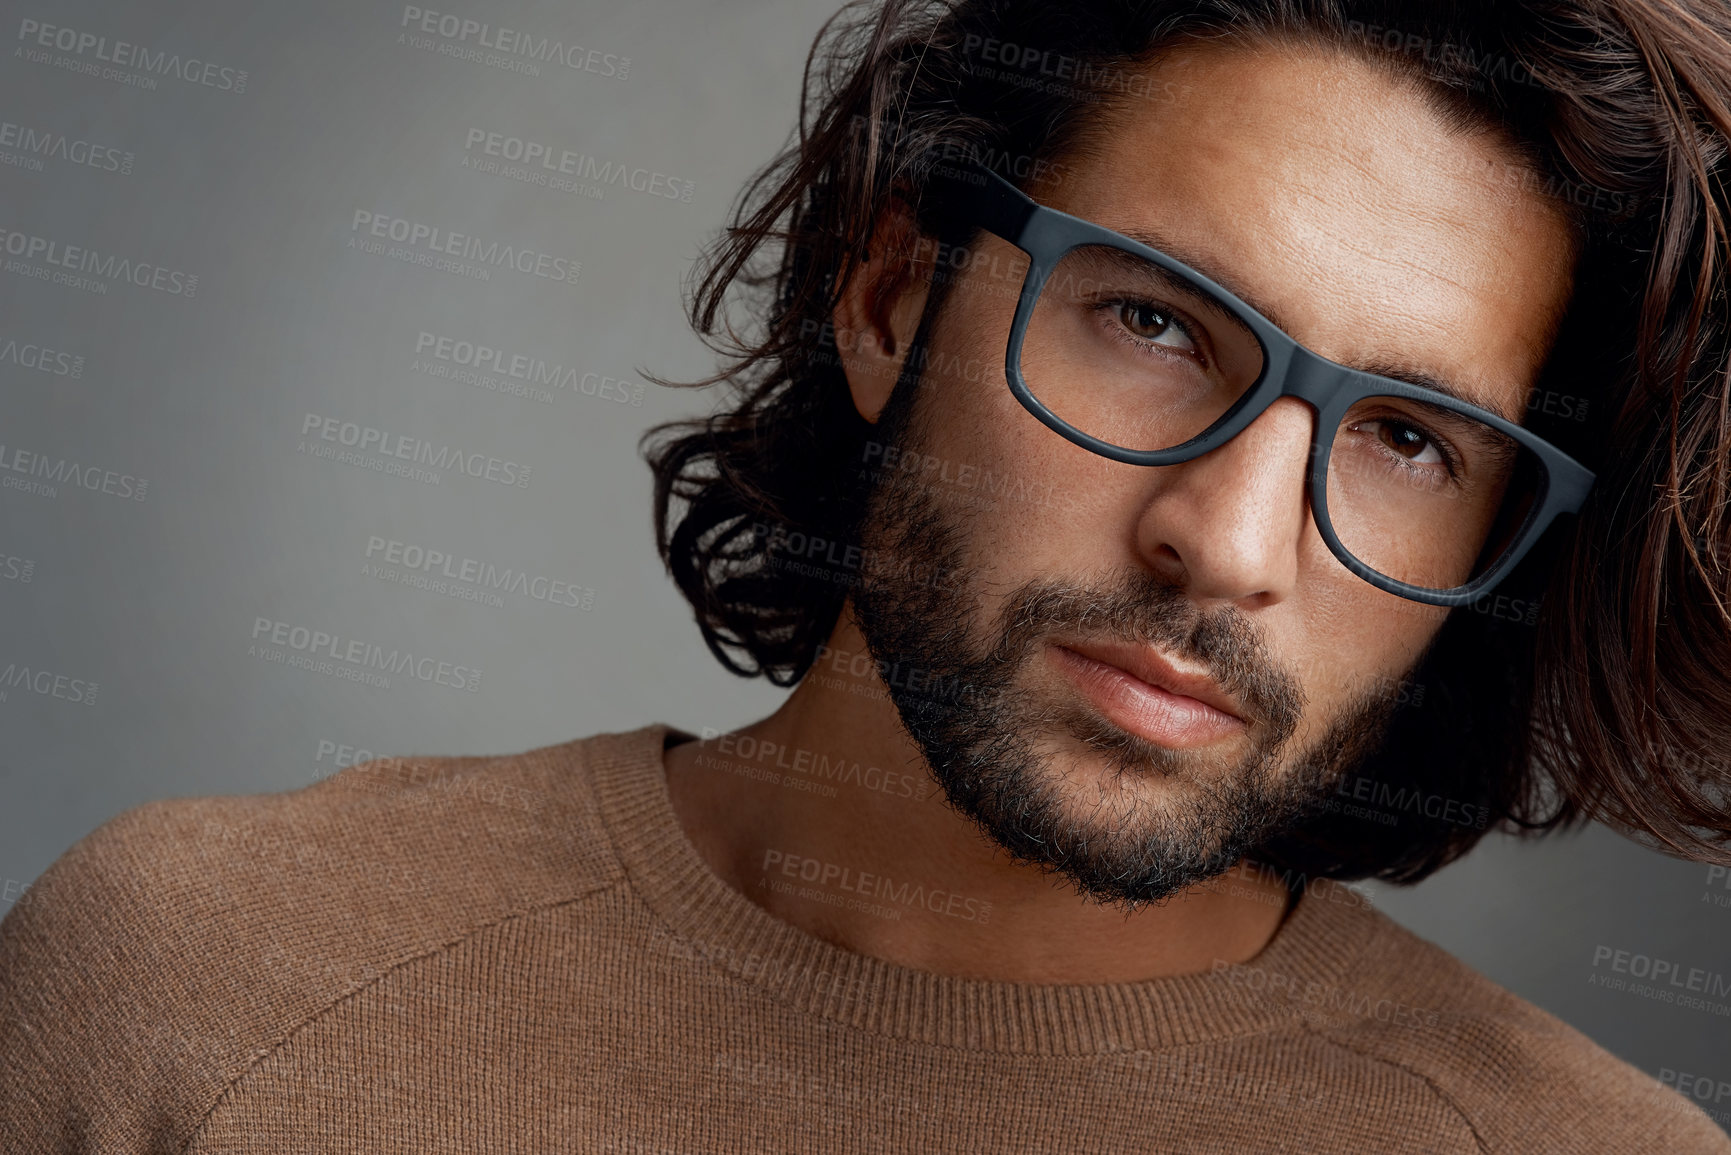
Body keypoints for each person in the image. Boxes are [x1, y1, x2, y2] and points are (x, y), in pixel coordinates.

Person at [6, 1, 1731, 1151]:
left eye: (1409, 441)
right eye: (1150, 323)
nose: (1228, 541)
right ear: (894, 297)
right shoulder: (197, 981)